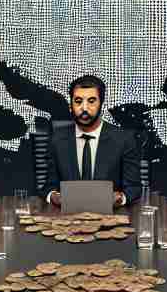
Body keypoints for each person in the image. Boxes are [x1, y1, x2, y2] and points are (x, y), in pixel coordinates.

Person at [42, 75, 141, 207]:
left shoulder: (124, 140)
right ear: (71, 104)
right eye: (78, 101)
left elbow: (134, 188)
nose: (84, 108)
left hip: (111, 216)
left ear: (101, 103)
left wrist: (120, 198)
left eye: (91, 101)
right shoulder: (57, 140)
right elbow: (48, 187)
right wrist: (53, 196)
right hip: (67, 218)